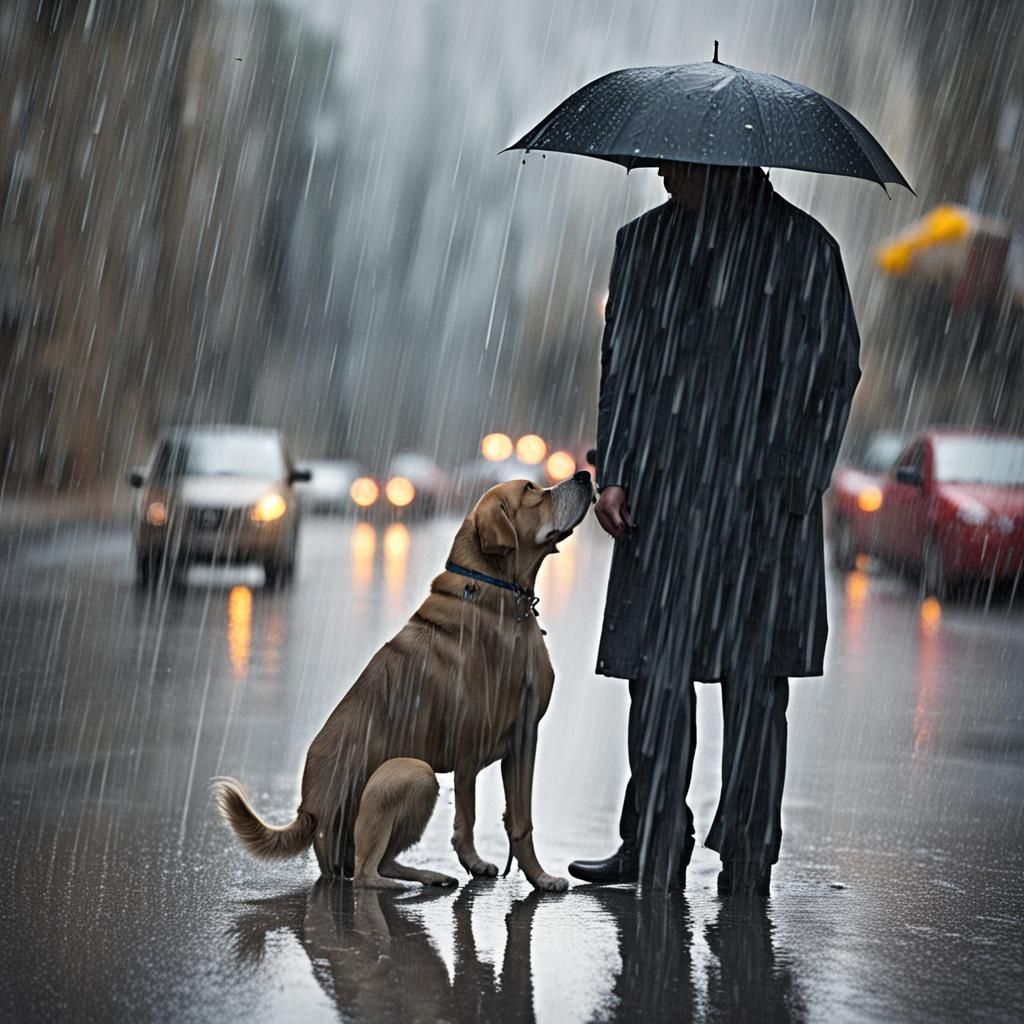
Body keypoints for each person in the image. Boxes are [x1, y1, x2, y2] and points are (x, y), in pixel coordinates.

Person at [568, 161, 861, 893]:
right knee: (656, 679)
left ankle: (749, 851)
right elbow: (621, 369)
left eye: (679, 161)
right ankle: (654, 837)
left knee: (756, 688)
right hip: (663, 502)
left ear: (727, 164)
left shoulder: (804, 250)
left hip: (764, 510)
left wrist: (792, 482)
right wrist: (615, 473)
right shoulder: (645, 244)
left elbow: (837, 372)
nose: (663, 171)